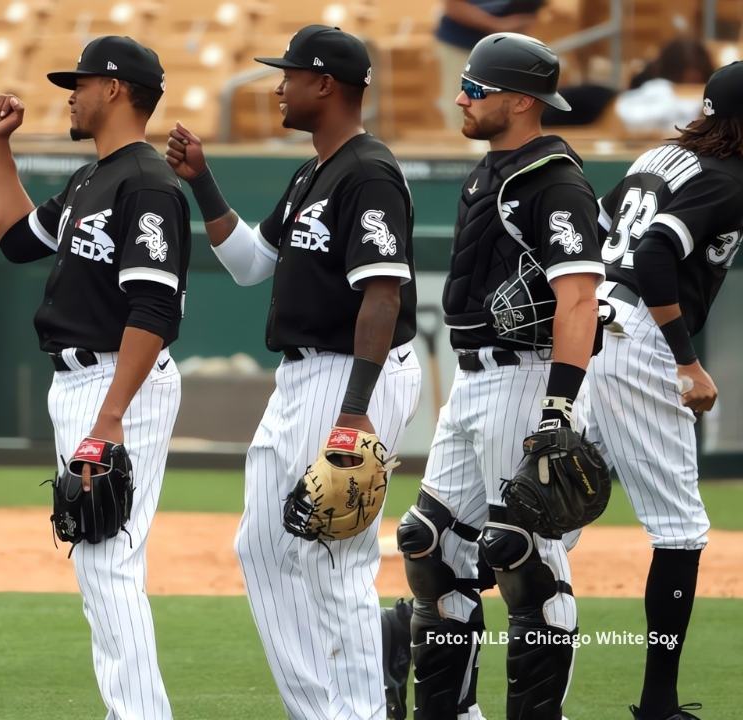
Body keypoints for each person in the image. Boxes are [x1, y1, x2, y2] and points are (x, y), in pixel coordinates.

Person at [167, 24, 421, 719]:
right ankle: (325, 708)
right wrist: (202, 181)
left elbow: (383, 293)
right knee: (261, 545)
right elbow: (252, 264)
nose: (278, 85)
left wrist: (354, 413)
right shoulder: (314, 170)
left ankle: (362, 708)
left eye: (289, 74)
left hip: (351, 375)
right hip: (305, 374)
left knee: (333, 554)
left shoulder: (368, 171)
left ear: (326, 85)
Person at [0, 35, 189, 720]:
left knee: (107, 561)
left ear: (117, 89)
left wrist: (110, 417)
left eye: (82, 81)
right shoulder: (89, 178)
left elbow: (154, 307)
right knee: (98, 559)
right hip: (80, 384)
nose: (70, 92)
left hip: (115, 383)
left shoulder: (148, 183)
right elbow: (15, 239)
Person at [395, 32, 602, 719]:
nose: (461, 95)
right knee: (428, 542)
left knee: (521, 552)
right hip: (477, 377)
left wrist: (560, 407)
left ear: (518, 100)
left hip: (530, 376)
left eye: (475, 88)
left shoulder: (553, 179)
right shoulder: (493, 171)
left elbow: (577, 298)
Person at [586, 62, 743, 720]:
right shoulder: (731, 179)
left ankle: (428, 624)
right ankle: (657, 706)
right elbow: (653, 256)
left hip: (593, 324)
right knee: (680, 531)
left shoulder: (659, 155)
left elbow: (596, 227)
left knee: (554, 506)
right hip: (643, 342)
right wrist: (687, 362)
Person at [434, 1, 545, 128]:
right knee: (467, 103)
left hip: (509, 43)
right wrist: (498, 25)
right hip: (463, 44)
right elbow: (453, 6)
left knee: (507, 104)